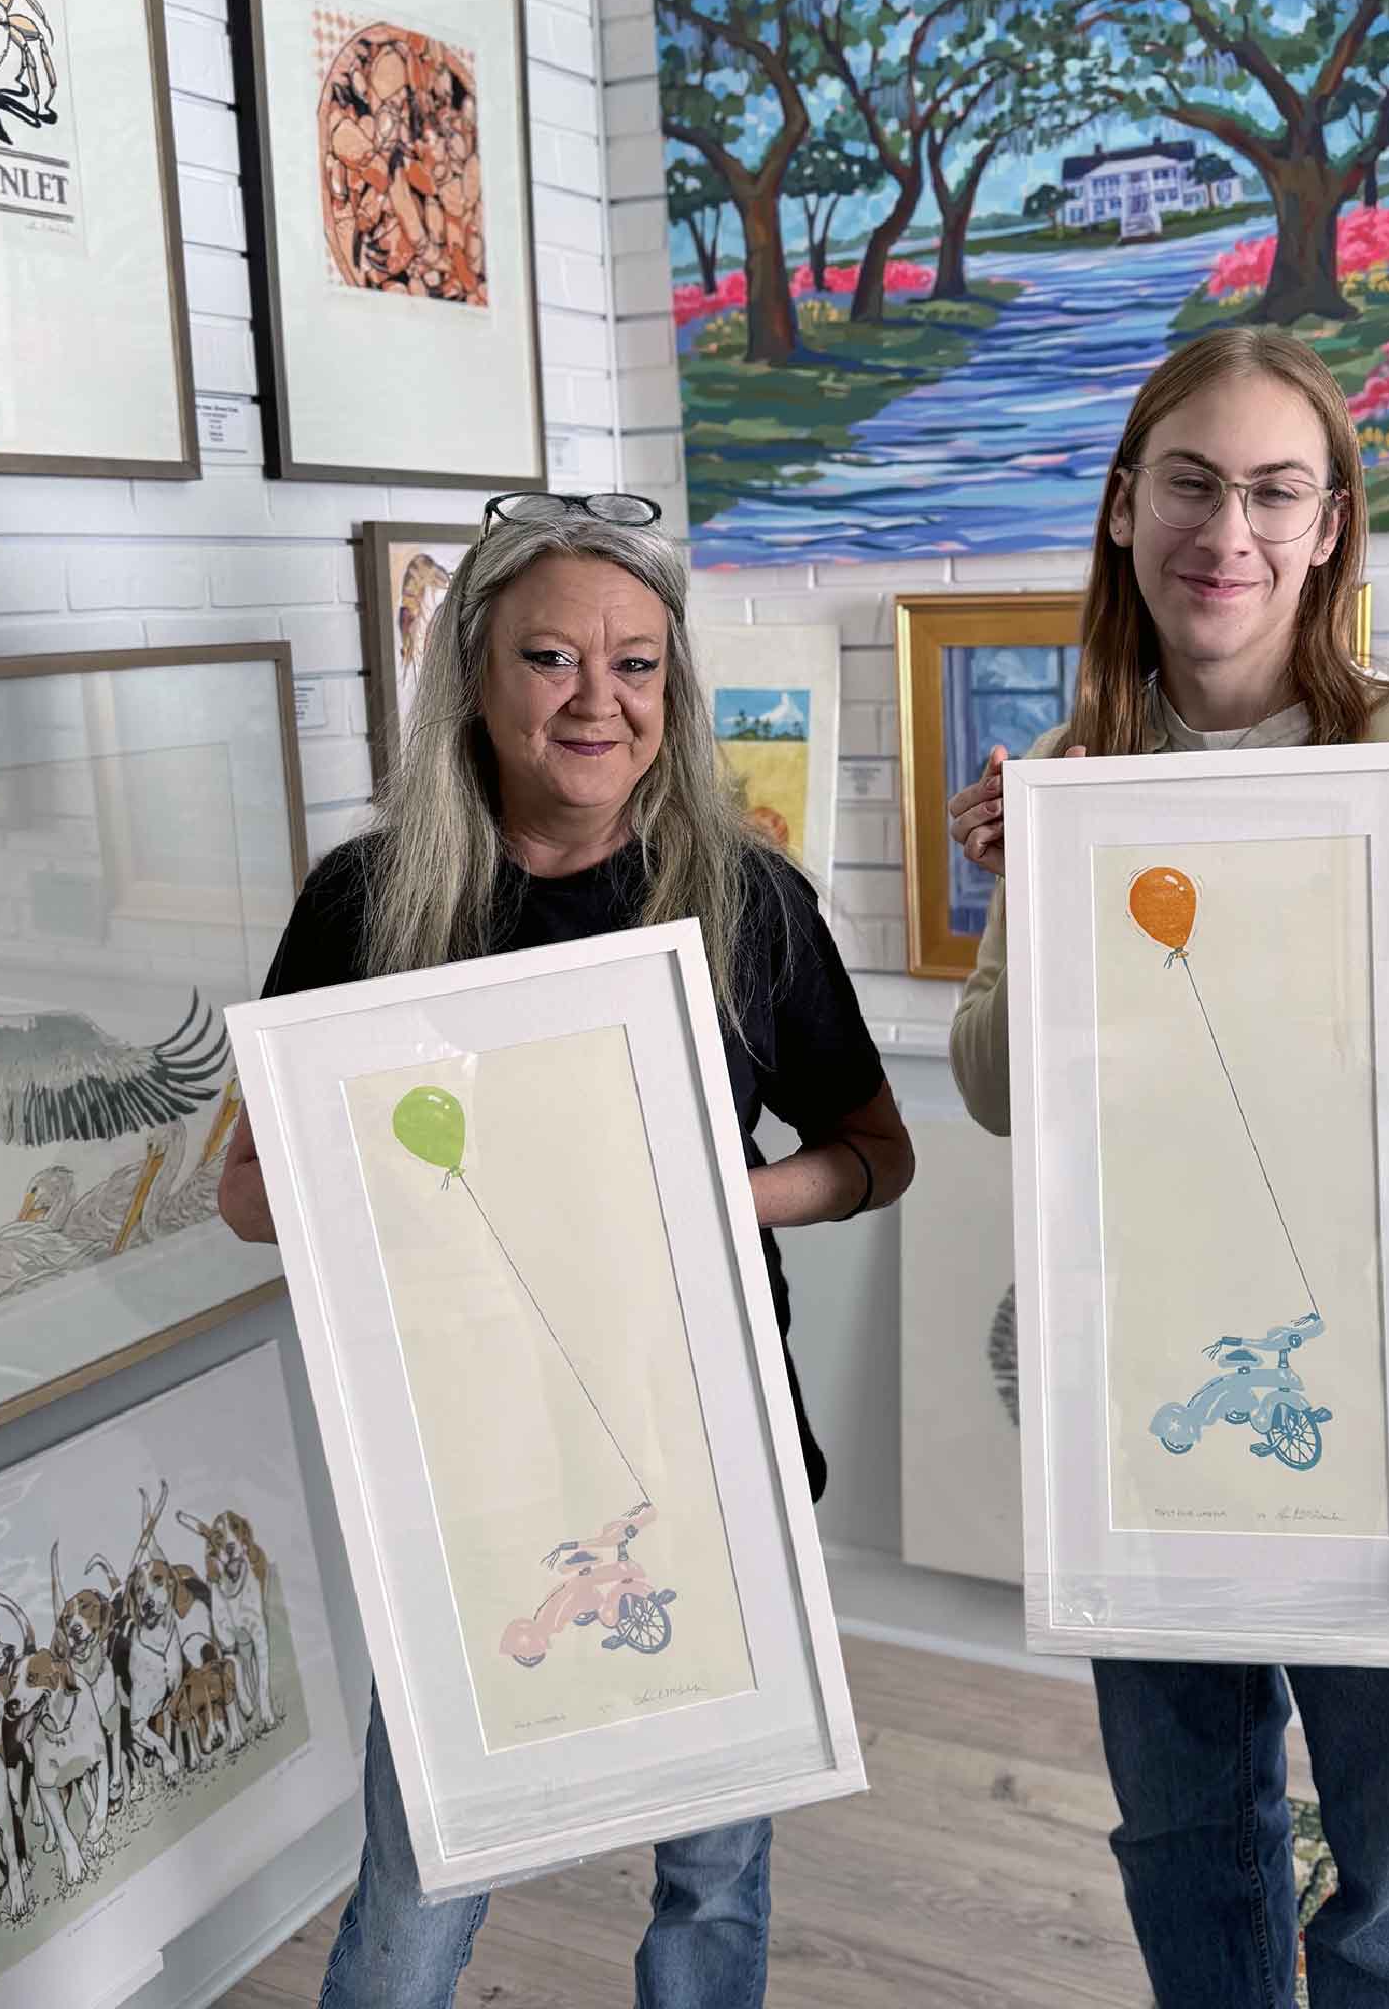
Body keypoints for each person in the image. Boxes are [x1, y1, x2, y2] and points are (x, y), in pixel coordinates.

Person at [219, 493, 915, 2009]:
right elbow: (249, 1190)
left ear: (676, 693)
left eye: (640, 665)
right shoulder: (368, 903)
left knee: (715, 1880)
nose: (598, 700)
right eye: (550, 658)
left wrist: (726, 1202)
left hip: (706, 1450)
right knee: (423, 1882)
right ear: (475, 677)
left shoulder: (751, 904)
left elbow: (877, 1153)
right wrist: (393, 1199)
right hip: (473, 1467)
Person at [945, 327, 1389, 2008]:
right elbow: (1003, 1097)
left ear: (1332, 525)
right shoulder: (1074, 787)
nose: (1231, 530)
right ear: (1126, 510)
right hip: (1146, 1402)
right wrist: (1028, 894)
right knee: (1186, 1839)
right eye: (1193, 485)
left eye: (1277, 490)